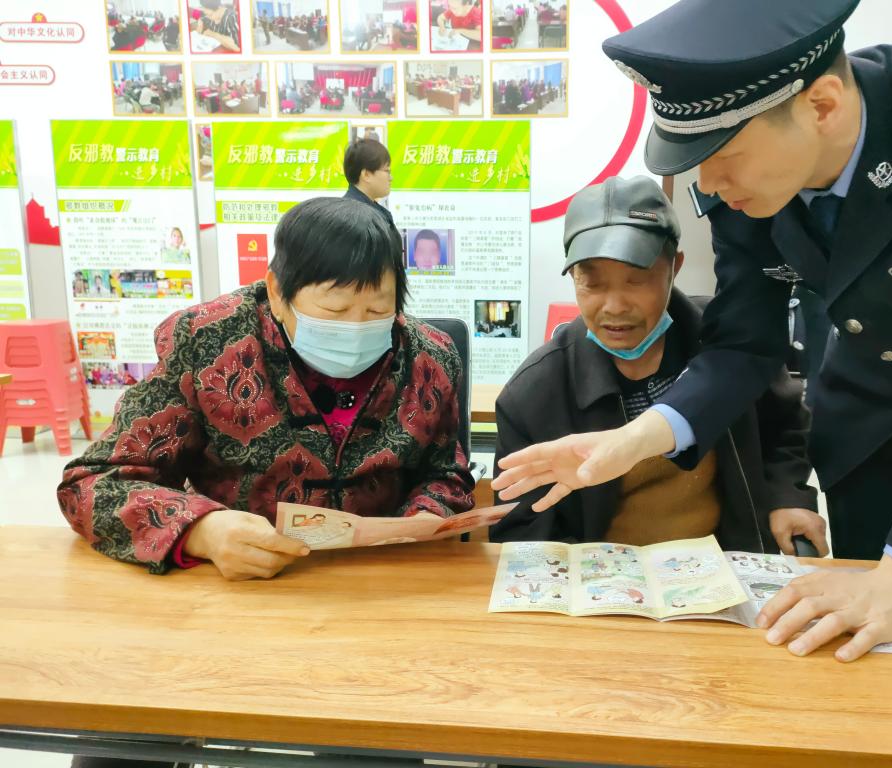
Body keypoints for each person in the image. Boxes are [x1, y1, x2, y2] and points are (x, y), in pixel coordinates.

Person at [493, 0, 892, 678]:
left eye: (722, 156)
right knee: (861, 651)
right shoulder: (747, 183)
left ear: (822, 105)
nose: (708, 184)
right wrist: (632, 441)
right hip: (873, 420)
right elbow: (745, 343)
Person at [57, 198, 474, 590]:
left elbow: (446, 474)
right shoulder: (206, 343)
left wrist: (427, 516)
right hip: (244, 585)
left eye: (378, 310)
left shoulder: (428, 357)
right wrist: (202, 531)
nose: (355, 327)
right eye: (334, 310)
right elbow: (92, 484)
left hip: (384, 584)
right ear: (276, 291)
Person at [490, 176, 824, 554]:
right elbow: (522, 529)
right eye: (592, 284)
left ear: (674, 267)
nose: (615, 306)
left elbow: (787, 427)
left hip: (724, 562)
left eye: (637, 280)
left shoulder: (732, 349)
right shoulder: (533, 393)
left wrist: (788, 497)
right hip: (603, 576)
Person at [342, 139, 394, 226]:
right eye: (387, 171)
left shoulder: (367, 211)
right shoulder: (357, 219)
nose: (391, 178)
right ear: (366, 175)